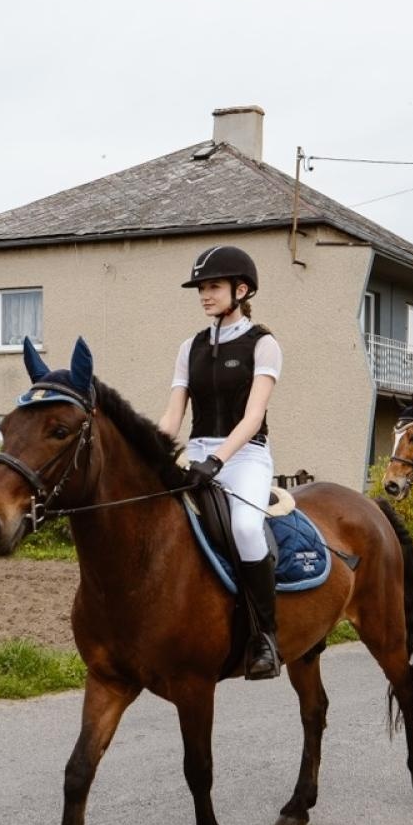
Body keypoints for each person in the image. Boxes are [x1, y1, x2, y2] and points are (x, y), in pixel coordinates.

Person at [158, 245, 284, 680]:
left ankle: (265, 638)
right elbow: (173, 415)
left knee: (246, 528)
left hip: (245, 456)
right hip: (196, 452)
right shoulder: (189, 347)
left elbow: (253, 417)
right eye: (201, 288)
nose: (204, 295)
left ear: (241, 290)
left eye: (213, 286)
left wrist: (217, 460)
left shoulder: (263, 344)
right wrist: (153, 450)